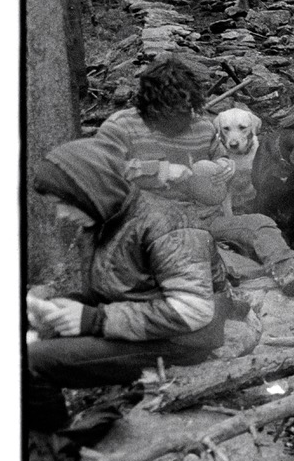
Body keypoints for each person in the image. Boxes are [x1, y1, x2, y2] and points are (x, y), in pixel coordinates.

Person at [26, 138, 229, 437]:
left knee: (31, 362)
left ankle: (55, 451)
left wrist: (93, 320)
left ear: (90, 190)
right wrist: (60, 309)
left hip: (186, 340)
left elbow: (193, 311)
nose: (60, 216)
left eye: (63, 204)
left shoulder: (168, 223)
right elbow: (114, 291)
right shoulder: (101, 223)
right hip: (143, 325)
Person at [95, 55, 294, 294]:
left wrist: (224, 166)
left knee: (259, 224)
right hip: (152, 222)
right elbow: (99, 171)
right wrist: (159, 170)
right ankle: (231, 275)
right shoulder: (122, 126)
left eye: (186, 107)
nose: (182, 116)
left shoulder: (202, 126)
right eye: (171, 108)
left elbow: (219, 156)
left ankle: (289, 269)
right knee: (206, 255)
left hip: (205, 218)